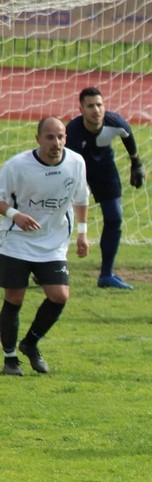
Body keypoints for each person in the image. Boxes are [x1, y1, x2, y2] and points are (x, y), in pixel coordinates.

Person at [0, 117, 90, 376]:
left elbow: (81, 198)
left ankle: (30, 343)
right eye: (50, 137)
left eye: (60, 137)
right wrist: (15, 215)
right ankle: (10, 359)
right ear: (38, 139)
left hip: (53, 243)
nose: (56, 143)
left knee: (59, 295)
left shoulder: (76, 163)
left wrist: (82, 234)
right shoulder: (17, 166)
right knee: (14, 297)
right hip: (16, 241)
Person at [65, 86, 146, 290]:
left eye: (99, 105)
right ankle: (46, 268)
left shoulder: (115, 122)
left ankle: (106, 275)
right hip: (76, 169)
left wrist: (136, 164)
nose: (96, 110)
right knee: (60, 217)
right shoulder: (72, 133)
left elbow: (128, 136)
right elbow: (63, 161)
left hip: (104, 167)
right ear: (81, 109)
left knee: (114, 218)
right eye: (90, 106)